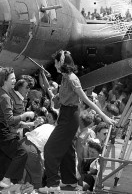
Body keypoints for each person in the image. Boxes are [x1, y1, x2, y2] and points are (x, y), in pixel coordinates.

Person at [39, 50, 115, 193]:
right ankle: (70, 181)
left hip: (70, 117)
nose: (54, 64)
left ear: (60, 63)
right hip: (65, 115)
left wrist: (103, 116)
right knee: (67, 151)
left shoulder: (72, 79)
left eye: (55, 61)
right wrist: (55, 96)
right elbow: (64, 98)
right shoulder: (64, 77)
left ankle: (53, 184)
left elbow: (86, 100)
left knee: (49, 149)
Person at [0, 67, 34, 188]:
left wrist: (27, 124)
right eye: (12, 78)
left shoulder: (0, 93)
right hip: (0, 130)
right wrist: (24, 115)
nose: (15, 81)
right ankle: (7, 180)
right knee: (21, 153)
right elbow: (10, 120)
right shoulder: (5, 97)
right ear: (5, 80)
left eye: (15, 78)